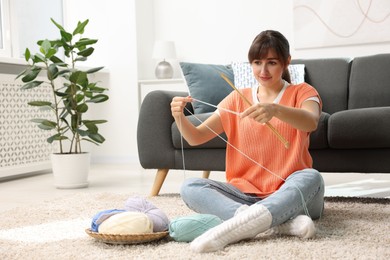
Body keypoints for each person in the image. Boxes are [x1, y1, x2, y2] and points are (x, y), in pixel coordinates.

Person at [170, 30, 325, 253]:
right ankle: (277, 224)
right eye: (257, 62)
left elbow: (310, 121)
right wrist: (179, 117)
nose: (263, 70)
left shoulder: (303, 91)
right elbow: (196, 137)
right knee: (190, 187)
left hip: (293, 195)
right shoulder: (236, 97)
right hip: (245, 196)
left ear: (286, 62)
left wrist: (275, 110)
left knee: (312, 177)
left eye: (271, 62)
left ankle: (245, 222)